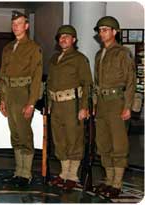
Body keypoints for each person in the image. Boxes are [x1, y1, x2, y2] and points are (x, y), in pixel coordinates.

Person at [92, 16, 135, 198]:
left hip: (117, 102)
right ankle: (108, 181)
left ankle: (117, 183)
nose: (102, 33)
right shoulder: (99, 54)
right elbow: (96, 83)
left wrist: (128, 106)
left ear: (114, 32)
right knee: (103, 144)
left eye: (106, 30)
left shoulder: (122, 53)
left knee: (118, 144)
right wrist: (94, 103)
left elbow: (130, 82)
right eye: (100, 30)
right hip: (102, 104)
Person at [0, 11, 43, 187]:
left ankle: (26, 173)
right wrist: (2, 99)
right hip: (9, 93)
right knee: (15, 134)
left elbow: (37, 76)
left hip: (24, 94)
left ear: (26, 26)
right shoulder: (8, 48)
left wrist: (31, 103)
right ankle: (18, 171)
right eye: (13, 24)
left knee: (25, 134)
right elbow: (2, 74)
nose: (15, 26)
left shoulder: (33, 47)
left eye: (19, 23)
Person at [47, 25, 93, 190]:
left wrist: (84, 107)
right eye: (60, 37)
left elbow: (87, 84)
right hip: (57, 105)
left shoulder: (79, 59)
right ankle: (63, 174)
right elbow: (50, 83)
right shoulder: (54, 59)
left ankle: (72, 175)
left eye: (67, 36)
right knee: (59, 140)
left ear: (74, 40)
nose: (63, 39)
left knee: (74, 139)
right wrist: (50, 104)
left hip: (73, 105)